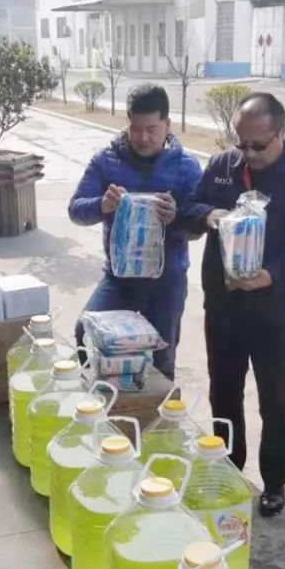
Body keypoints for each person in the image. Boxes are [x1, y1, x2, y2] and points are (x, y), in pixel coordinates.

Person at [178, 93, 285, 517]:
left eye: (258, 145)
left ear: (281, 133)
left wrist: (272, 274)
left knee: (275, 396)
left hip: (272, 311)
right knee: (223, 389)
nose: (247, 153)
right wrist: (208, 215)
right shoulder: (222, 167)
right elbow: (189, 208)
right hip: (224, 306)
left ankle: (275, 482)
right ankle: (228, 468)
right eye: (241, 143)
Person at [68, 84, 202, 379]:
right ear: (127, 122)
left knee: (161, 360)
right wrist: (102, 205)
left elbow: (197, 228)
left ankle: (156, 406)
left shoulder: (186, 168)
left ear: (168, 125)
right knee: (86, 333)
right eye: (135, 128)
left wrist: (175, 217)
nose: (143, 137)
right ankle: (101, 395)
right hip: (118, 279)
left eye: (151, 129)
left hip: (166, 283)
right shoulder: (106, 161)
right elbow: (75, 210)